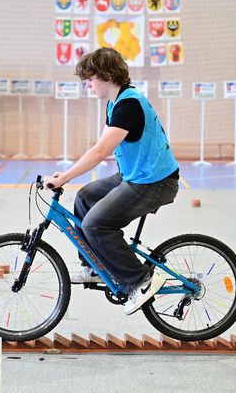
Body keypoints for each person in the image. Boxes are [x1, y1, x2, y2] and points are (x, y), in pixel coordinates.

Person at [43, 47, 180, 315]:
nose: (87, 84)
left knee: (95, 225)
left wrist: (65, 177)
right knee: (85, 197)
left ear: (107, 75)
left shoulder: (128, 106)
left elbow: (100, 152)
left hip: (154, 182)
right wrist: (66, 176)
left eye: (90, 78)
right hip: (136, 174)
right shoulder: (114, 103)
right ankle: (94, 266)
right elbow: (101, 146)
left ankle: (141, 280)